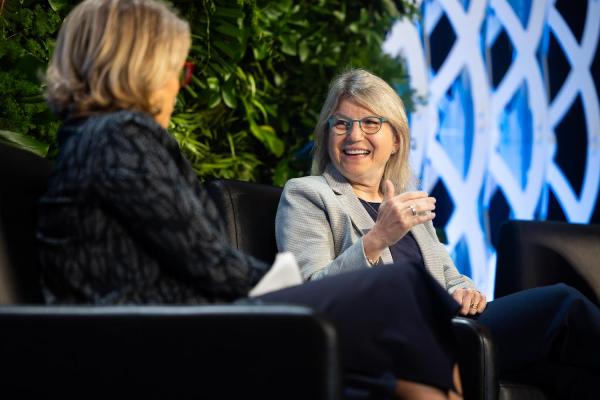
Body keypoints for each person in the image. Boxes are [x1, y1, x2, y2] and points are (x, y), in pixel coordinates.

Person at [37, 1, 466, 399]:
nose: (174, 86)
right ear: (140, 70)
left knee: (394, 312)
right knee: (393, 288)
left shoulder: (92, 137)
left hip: (168, 324)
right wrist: (301, 294)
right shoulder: (121, 137)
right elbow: (207, 260)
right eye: (177, 70)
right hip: (160, 333)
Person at [275, 68, 600, 399]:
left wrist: (465, 291)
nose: (354, 136)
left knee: (569, 374)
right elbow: (313, 295)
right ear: (328, 134)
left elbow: (451, 278)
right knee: (563, 303)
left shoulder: (406, 200)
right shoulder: (308, 194)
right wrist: (377, 238)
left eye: (371, 123)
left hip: (454, 327)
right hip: (394, 339)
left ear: (396, 140)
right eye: (341, 124)